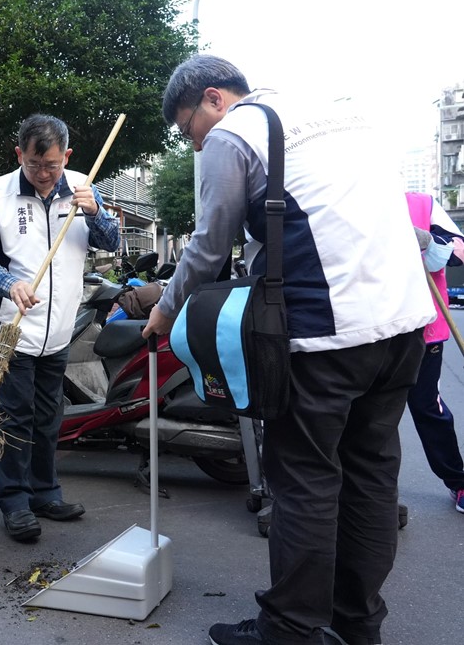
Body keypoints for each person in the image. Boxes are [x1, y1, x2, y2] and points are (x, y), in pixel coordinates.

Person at [142, 55, 434, 645]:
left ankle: (291, 631)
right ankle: (357, 626)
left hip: (325, 336)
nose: (193, 145)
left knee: (303, 482)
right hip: (404, 328)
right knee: (372, 479)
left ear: (213, 99)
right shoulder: (337, 118)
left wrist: (165, 308)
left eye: (186, 129)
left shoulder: (232, 133)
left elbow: (208, 243)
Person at [0, 114, 120, 542]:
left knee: (49, 416)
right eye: (34, 165)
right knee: (13, 418)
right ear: (20, 155)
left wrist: (94, 212)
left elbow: (112, 243)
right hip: (11, 330)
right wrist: (9, 283)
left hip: (58, 331)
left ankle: (44, 493)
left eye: (51, 165)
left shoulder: (83, 189)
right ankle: (14, 501)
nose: (43, 174)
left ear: (66, 156)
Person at [405, 191, 464, 513]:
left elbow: (457, 252)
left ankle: (459, 481)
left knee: (428, 408)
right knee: (364, 415)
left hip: (422, 329)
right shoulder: (336, 199)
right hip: (363, 327)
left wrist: (426, 239)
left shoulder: (420, 204)